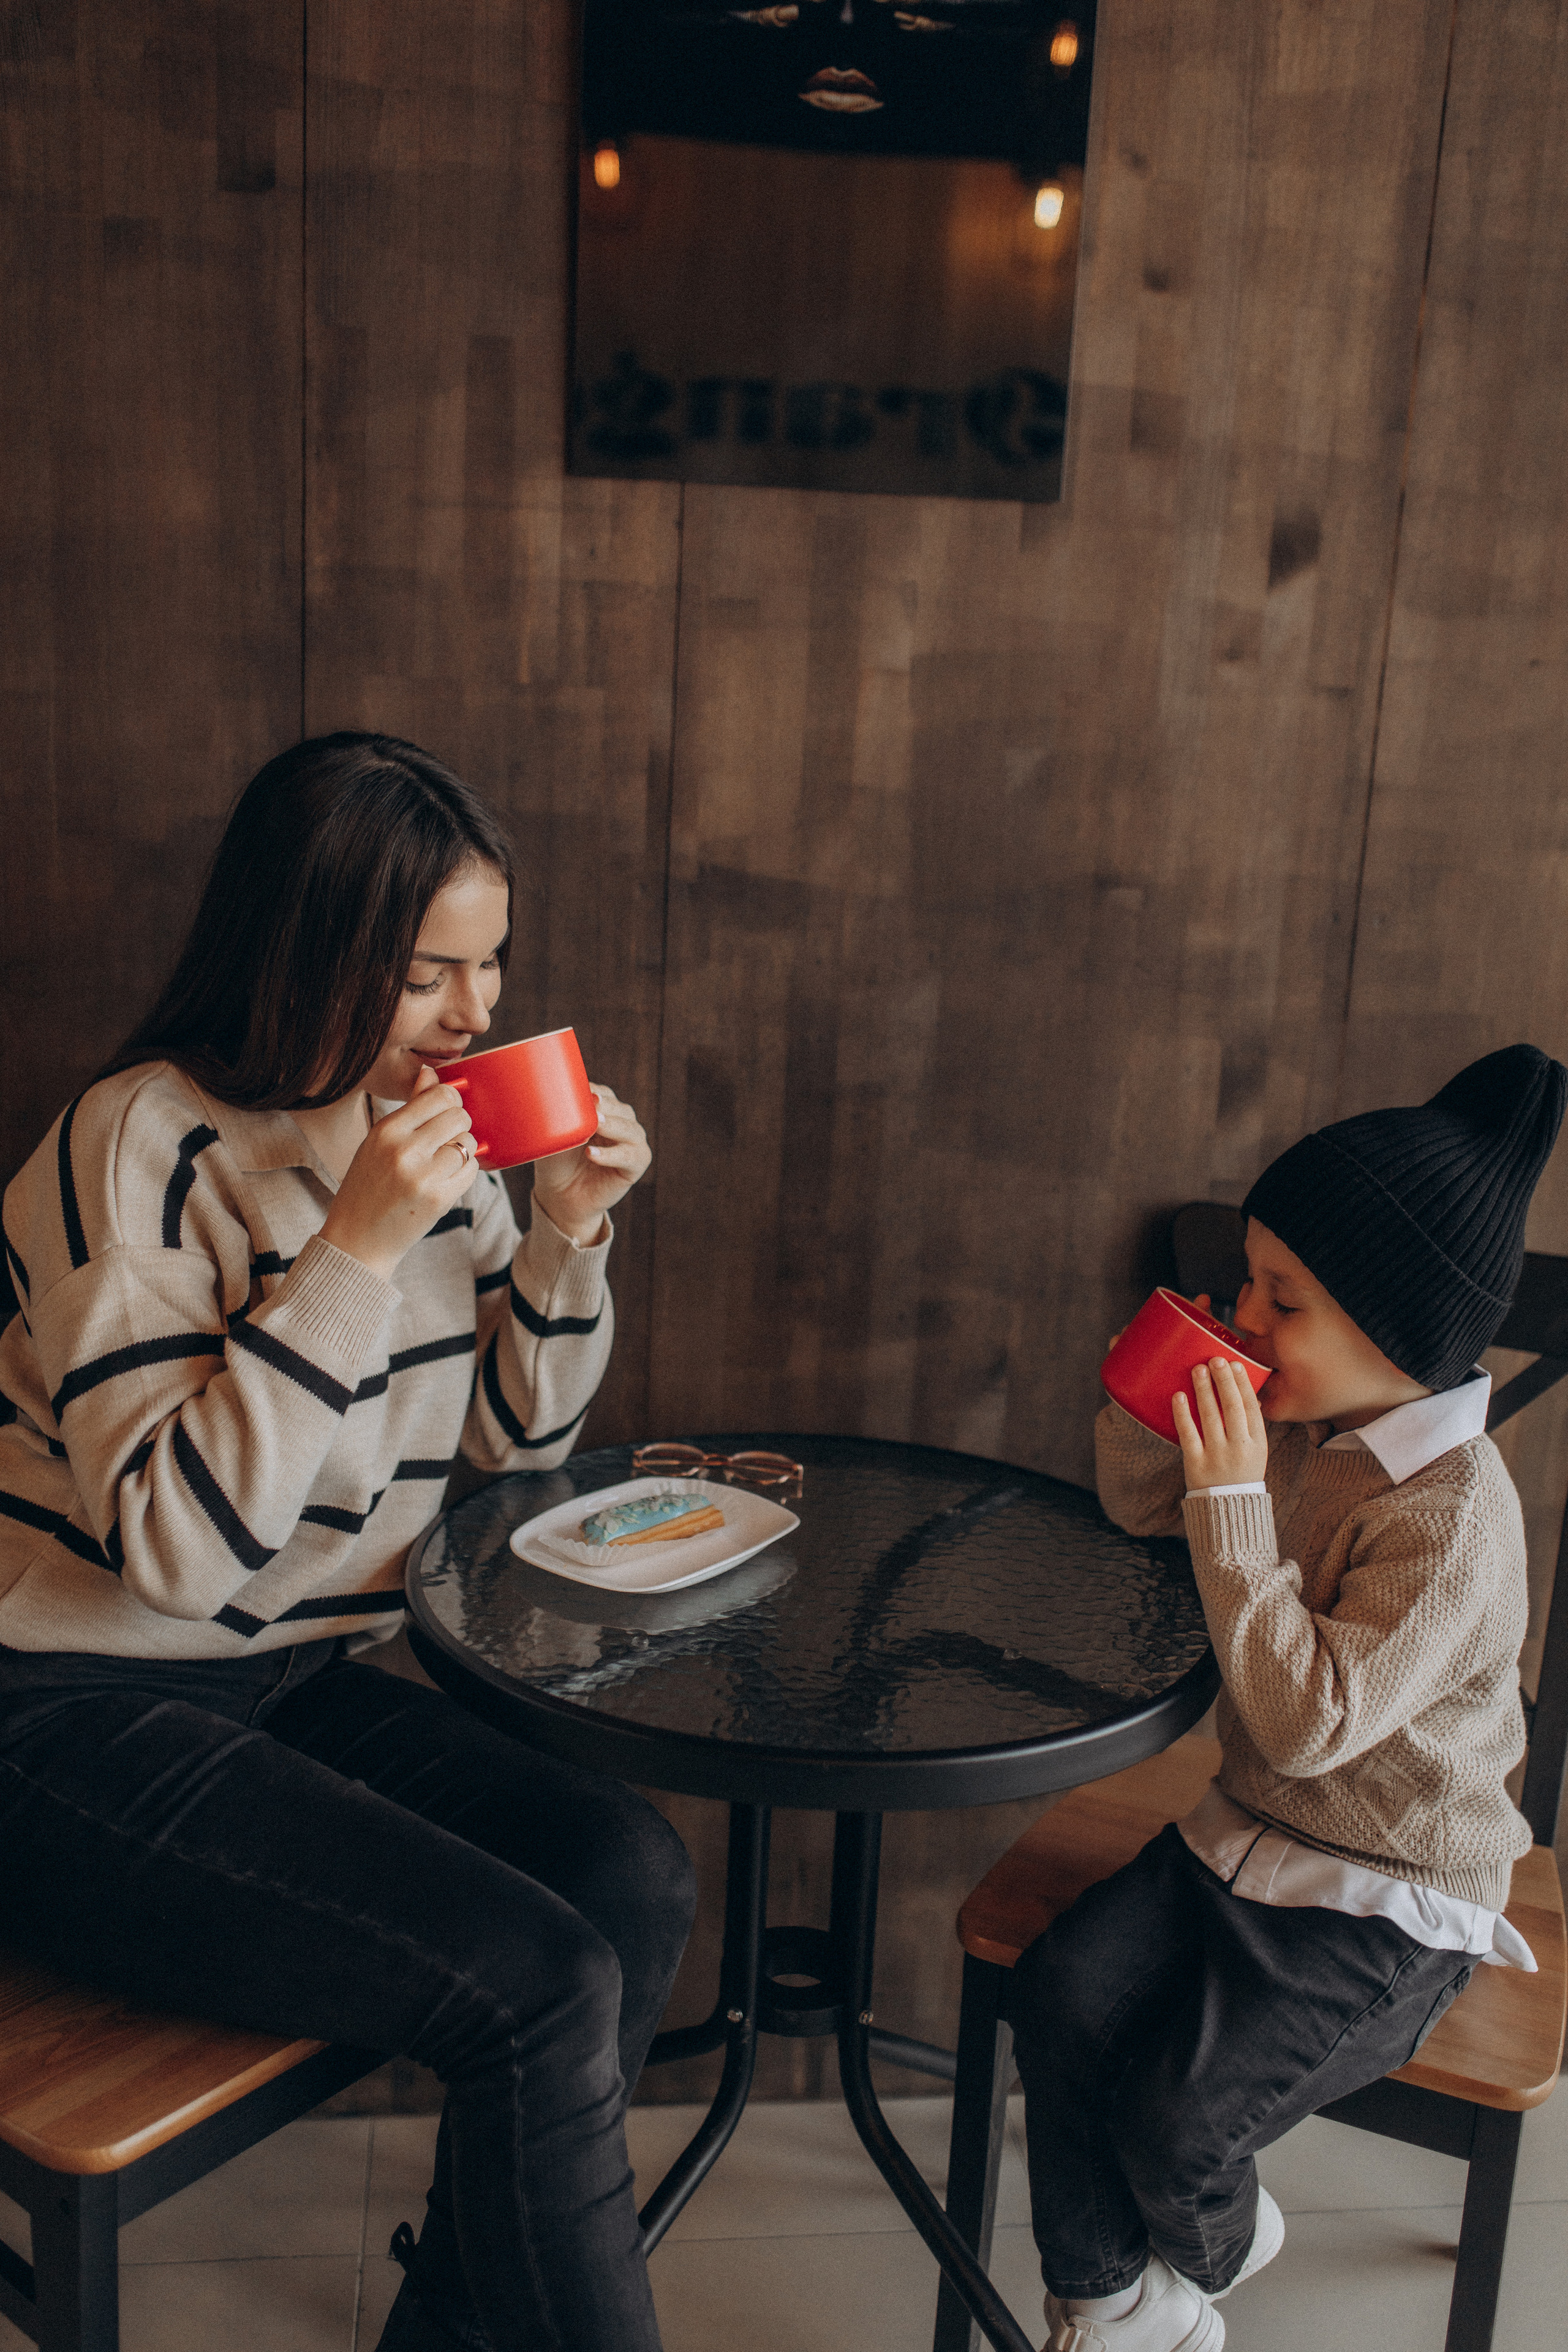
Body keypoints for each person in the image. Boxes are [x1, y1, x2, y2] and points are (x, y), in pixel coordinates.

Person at [0, 733, 696, 2352]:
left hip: (291, 1680)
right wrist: (354, 1249)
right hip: (60, 1711)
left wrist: (568, 1245)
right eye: (426, 975)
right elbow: (176, 1556)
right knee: (535, 1986)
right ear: (305, 954)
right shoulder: (136, 1148)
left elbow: (519, 1460)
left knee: (631, 1873)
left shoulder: (427, 1143)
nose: (477, 1016)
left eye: (491, 964)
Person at [1006, 1043, 1566, 2352]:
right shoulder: (1313, 1434)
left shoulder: (1451, 1521)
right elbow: (1147, 1516)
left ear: (1400, 1326)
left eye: (1280, 1298)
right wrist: (1155, 1417)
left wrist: (1230, 1498)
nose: (1244, 1320)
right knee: (1060, 1995)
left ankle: (1210, 2237)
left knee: (1174, 2122)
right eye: (1246, 1285)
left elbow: (1305, 1720)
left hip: (1388, 1896)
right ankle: (1109, 2304)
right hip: (1242, 1839)